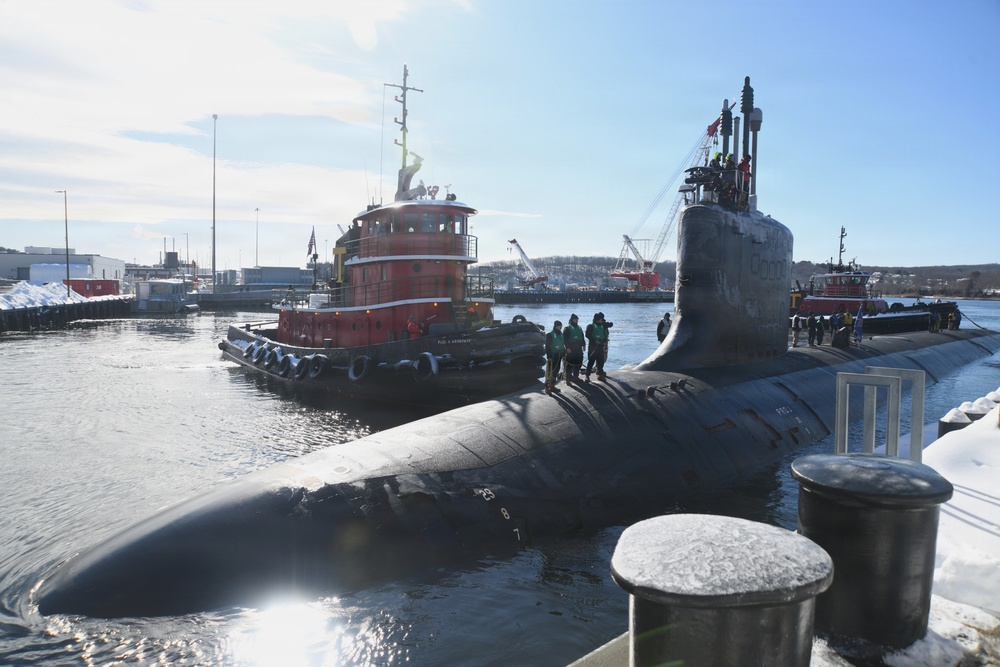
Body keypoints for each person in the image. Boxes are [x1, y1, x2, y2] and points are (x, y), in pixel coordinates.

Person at [585, 312, 614, 382]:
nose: (602, 321)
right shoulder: (590, 326)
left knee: (600, 361)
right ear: (597, 320)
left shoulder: (602, 326)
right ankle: (587, 376)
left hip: (600, 346)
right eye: (601, 319)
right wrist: (594, 341)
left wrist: (604, 341)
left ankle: (600, 375)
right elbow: (587, 335)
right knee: (591, 362)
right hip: (593, 346)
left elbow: (604, 334)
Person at [563, 313, 586, 384]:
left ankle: (576, 376)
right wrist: (567, 348)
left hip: (578, 347)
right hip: (571, 347)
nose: (576, 321)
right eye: (575, 319)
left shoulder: (579, 328)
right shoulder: (567, 328)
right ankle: (568, 377)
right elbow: (565, 339)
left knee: (578, 362)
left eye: (577, 319)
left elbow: (582, 337)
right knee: (570, 363)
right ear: (572, 320)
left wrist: (584, 345)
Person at [544, 320, 565, 395]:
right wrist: (549, 356)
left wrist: (564, 353)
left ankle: (552, 385)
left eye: (561, 325)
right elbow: (547, 346)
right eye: (560, 325)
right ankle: (547, 387)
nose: (561, 327)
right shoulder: (550, 334)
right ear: (556, 326)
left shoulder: (561, 334)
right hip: (553, 355)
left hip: (559, 354)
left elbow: (562, 344)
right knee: (550, 372)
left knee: (556, 371)